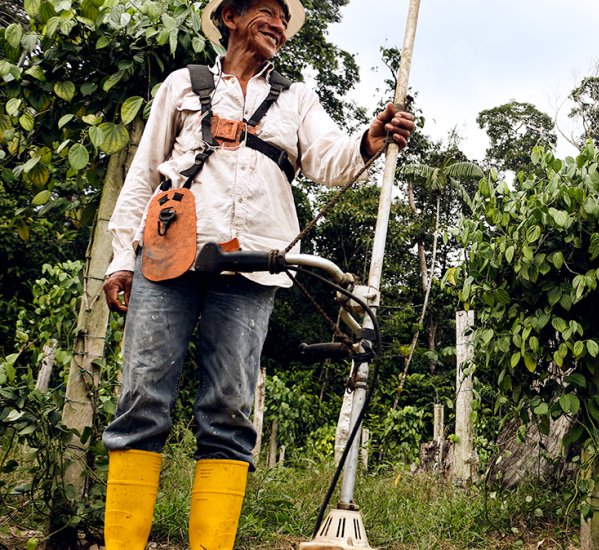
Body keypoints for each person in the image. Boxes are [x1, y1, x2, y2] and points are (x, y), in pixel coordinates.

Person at [98, 0, 414, 546]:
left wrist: (372, 138)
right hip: (168, 254)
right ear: (229, 18)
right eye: (267, 11)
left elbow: (332, 161)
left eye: (283, 19)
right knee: (143, 400)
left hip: (253, 265)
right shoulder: (183, 84)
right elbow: (143, 175)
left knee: (228, 411)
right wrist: (122, 259)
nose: (279, 24)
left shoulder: (297, 97)